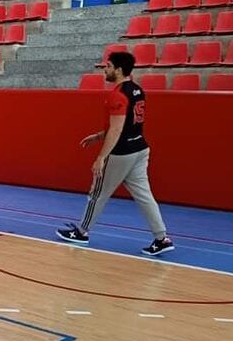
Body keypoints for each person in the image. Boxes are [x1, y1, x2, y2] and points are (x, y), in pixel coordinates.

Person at [56, 51, 174, 256]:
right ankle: (161, 238)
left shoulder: (117, 95)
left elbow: (118, 130)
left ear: (118, 70)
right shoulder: (137, 90)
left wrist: (101, 157)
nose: (105, 69)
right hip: (140, 149)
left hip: (121, 154)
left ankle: (81, 232)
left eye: (108, 66)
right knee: (145, 196)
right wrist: (99, 135)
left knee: (97, 193)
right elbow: (127, 125)